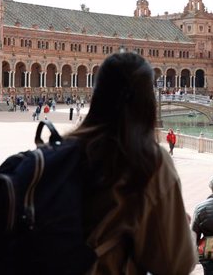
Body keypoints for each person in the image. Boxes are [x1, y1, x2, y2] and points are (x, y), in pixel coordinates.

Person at [66, 52, 196, 273]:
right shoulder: (150, 162)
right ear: (147, 101)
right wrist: (185, 229)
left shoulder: (60, 149)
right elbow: (177, 263)